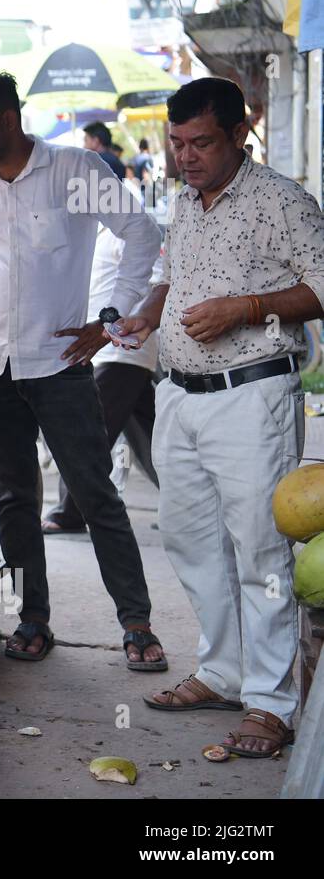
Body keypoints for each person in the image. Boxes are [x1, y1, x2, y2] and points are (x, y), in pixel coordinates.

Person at [111, 77, 324, 758]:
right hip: (179, 393)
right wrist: (151, 309)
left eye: (200, 141)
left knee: (261, 549)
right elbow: (181, 273)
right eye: (177, 143)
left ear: (239, 134)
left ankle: (270, 700)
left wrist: (244, 307)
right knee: (189, 537)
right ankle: (223, 669)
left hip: (252, 395)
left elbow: (322, 284)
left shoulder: (281, 199)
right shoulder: (185, 200)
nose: (186, 156)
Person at [0, 73, 167, 670]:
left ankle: (136, 622)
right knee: (16, 498)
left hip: (61, 364)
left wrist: (111, 320)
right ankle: (33, 620)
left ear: (10, 120)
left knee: (96, 494)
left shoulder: (76, 171)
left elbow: (141, 233)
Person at [42, 223, 162, 534]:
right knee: (151, 438)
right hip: (111, 355)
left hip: (122, 352)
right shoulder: (89, 234)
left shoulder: (126, 232)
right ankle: (189, 505)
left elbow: (160, 276)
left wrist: (125, 325)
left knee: (86, 434)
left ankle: (70, 512)